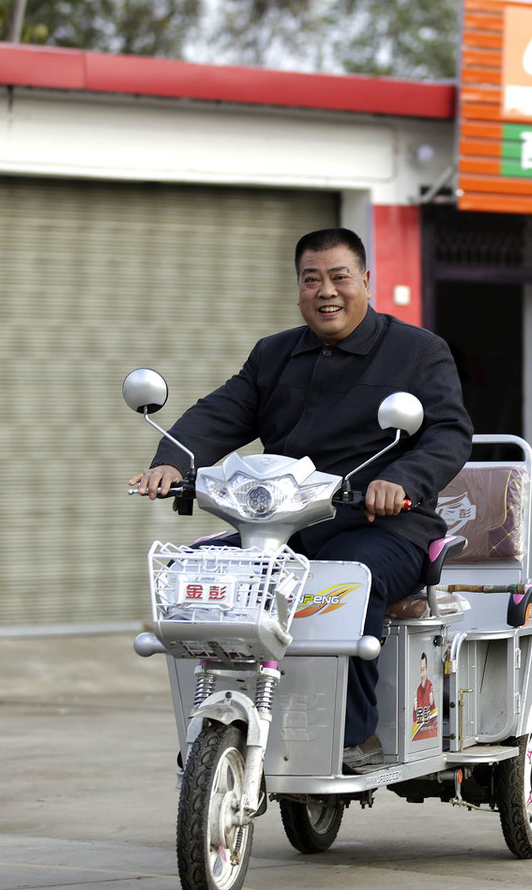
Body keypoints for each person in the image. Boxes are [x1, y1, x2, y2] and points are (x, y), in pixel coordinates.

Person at [130, 227, 472, 772]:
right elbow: (223, 412)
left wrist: (403, 480)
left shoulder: (417, 352)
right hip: (286, 522)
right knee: (202, 570)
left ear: (365, 280)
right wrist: (172, 461)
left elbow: (449, 433)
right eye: (312, 279)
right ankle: (214, 721)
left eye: (339, 277)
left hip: (385, 526)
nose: (326, 291)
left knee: (347, 576)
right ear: (299, 289)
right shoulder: (275, 354)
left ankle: (356, 735)